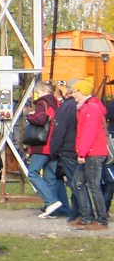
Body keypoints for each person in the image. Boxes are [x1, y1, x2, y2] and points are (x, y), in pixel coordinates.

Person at [71, 77, 110, 230]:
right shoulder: (87, 107)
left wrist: (82, 152)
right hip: (90, 151)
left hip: (93, 152)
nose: (72, 94)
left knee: (93, 185)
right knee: (78, 183)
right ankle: (87, 217)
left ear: (82, 92)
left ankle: (101, 221)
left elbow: (89, 133)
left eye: (75, 92)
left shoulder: (91, 109)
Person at [23, 80, 63, 217]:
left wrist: (29, 116)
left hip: (42, 145)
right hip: (54, 144)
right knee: (50, 176)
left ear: (44, 92)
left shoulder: (42, 102)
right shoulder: (57, 103)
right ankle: (52, 209)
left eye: (38, 92)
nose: (37, 95)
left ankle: (51, 202)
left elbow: (40, 119)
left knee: (33, 173)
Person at [49, 83, 81, 227]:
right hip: (81, 149)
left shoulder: (65, 108)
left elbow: (59, 130)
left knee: (75, 184)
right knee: (79, 183)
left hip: (68, 149)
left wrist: (54, 150)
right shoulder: (84, 106)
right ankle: (73, 211)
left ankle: (79, 213)